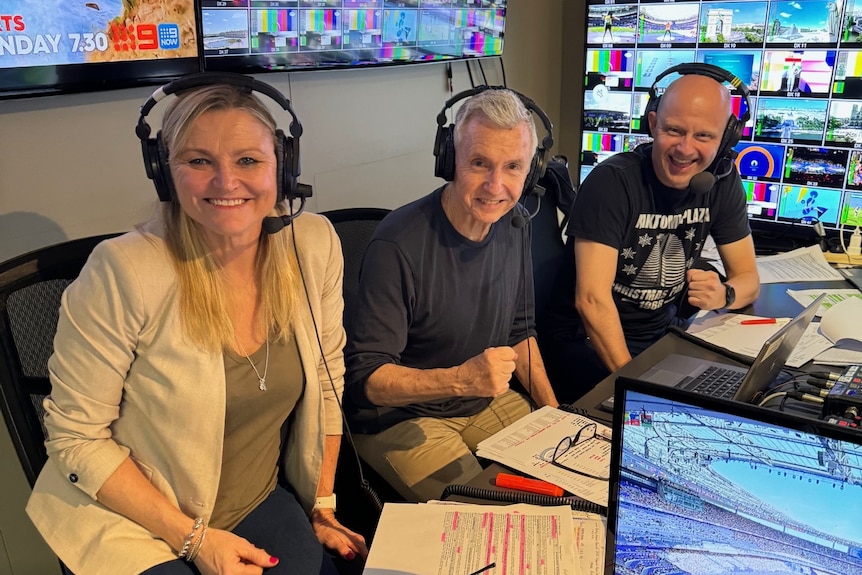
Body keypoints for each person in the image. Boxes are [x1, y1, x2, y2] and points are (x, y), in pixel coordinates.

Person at [26, 76, 367, 575]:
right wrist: (195, 540)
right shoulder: (125, 270)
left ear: (283, 166)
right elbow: (76, 437)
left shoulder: (311, 245)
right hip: (136, 519)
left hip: (252, 500)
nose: (226, 182)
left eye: (247, 160)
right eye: (199, 161)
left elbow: (327, 376)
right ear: (164, 172)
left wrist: (323, 504)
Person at [343, 88, 559, 502]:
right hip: (399, 418)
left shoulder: (514, 222)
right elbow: (367, 380)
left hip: (479, 400)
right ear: (450, 161)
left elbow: (519, 331)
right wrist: (461, 380)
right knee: (478, 513)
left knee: (564, 473)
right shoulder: (397, 244)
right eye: (479, 163)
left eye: (513, 167)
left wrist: (554, 413)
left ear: (531, 171)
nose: (496, 186)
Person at [542, 70, 760, 403]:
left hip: (660, 339)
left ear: (726, 138)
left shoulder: (722, 182)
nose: (685, 148)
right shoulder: (612, 182)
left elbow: (749, 280)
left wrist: (723, 294)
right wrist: (639, 393)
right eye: (674, 130)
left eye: (703, 136)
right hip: (587, 344)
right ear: (654, 123)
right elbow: (592, 301)